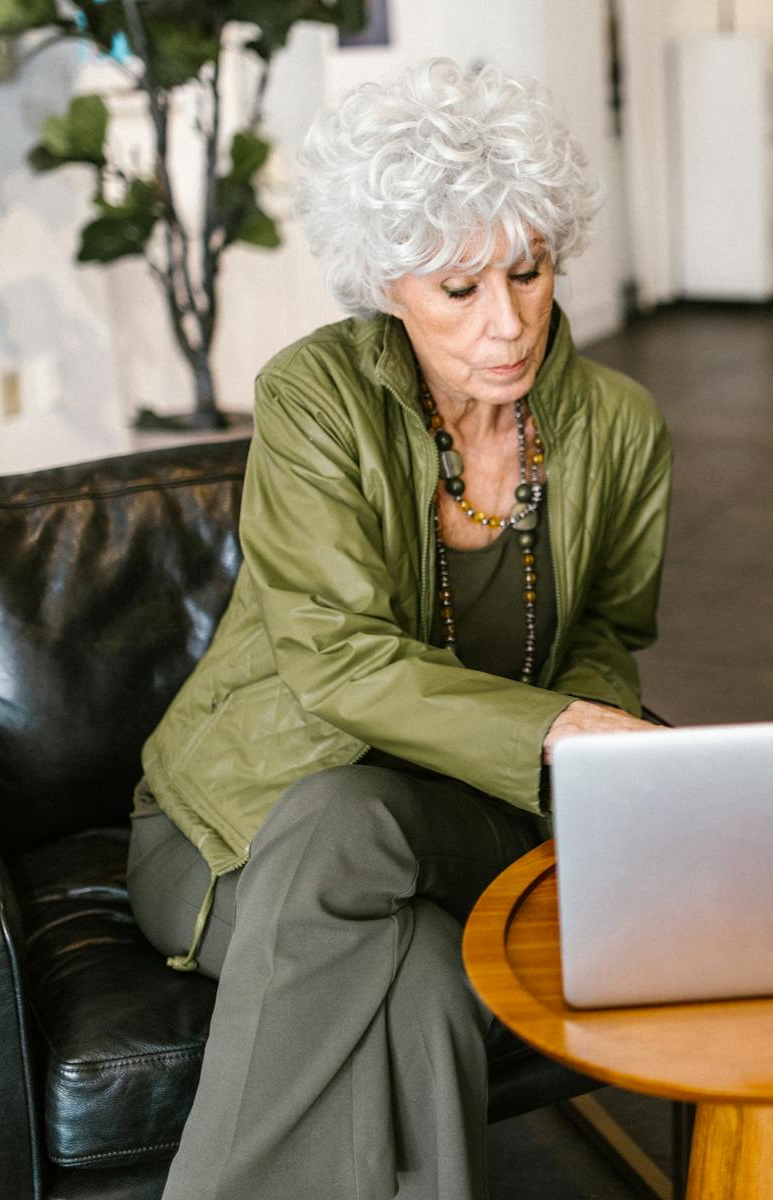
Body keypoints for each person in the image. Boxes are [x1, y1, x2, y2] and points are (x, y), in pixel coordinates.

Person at [126, 58, 672, 1200]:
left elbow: (610, 633)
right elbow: (334, 662)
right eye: (457, 289)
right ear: (387, 283)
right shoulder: (313, 397)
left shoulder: (619, 426)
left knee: (351, 825)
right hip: (243, 822)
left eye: (529, 271)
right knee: (408, 959)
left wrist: (583, 718)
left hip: (465, 813)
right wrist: (558, 730)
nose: (510, 322)